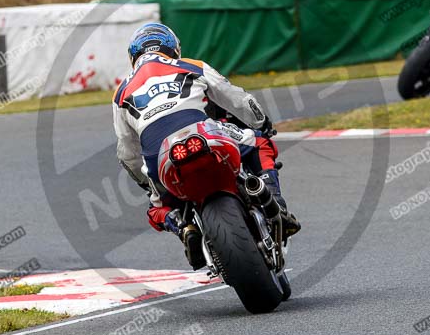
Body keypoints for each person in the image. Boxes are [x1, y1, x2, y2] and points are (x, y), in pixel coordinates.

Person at [112, 23, 300, 269]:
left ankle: (183, 227)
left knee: (156, 209)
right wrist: (261, 122)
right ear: (173, 48)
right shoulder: (191, 65)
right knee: (259, 142)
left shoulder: (121, 92)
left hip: (161, 156)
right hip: (202, 133)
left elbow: (127, 153)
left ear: (133, 56)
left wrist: (146, 183)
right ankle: (276, 204)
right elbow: (236, 98)